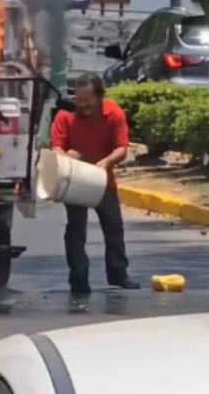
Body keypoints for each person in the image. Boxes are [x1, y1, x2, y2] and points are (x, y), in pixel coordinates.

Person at [50, 73, 139, 294]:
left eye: (88, 103)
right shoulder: (65, 115)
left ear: (99, 97)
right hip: (75, 180)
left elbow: (121, 147)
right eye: (79, 102)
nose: (83, 107)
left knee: (114, 227)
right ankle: (79, 278)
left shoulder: (113, 113)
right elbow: (56, 145)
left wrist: (106, 161)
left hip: (103, 179)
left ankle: (118, 273)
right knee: (76, 229)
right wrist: (65, 156)